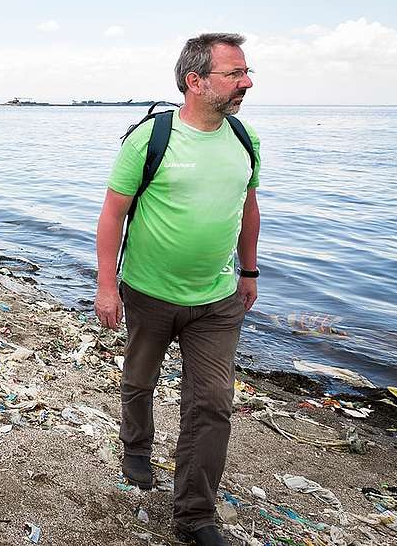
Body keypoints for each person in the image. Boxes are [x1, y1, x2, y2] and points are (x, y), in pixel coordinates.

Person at [94, 33, 260, 546]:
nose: (246, 83)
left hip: (217, 298)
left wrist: (249, 272)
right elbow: (112, 213)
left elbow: (247, 207)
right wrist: (107, 287)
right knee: (139, 379)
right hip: (148, 291)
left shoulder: (245, 138)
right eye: (234, 74)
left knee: (212, 403)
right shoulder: (151, 138)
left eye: (246, 72)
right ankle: (137, 448)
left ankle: (195, 517)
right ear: (195, 80)